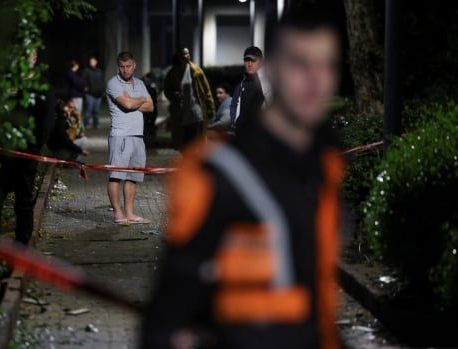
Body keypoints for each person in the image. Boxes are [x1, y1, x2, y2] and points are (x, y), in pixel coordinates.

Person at [142, 6, 344, 349]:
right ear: (275, 70)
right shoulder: (214, 174)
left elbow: (318, 306)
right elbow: (164, 321)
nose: (315, 78)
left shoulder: (324, 170)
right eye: (300, 64)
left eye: (326, 65)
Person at [0, 50, 56, 246]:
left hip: (26, 153)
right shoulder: (6, 82)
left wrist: (34, 147)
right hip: (2, 151)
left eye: (28, 54)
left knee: (23, 200)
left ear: (34, 57)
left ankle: (22, 244)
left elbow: (46, 121)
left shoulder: (42, 86)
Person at [106, 51, 154, 225]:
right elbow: (126, 104)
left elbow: (150, 107)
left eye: (128, 66)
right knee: (116, 176)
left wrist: (135, 100)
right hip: (121, 136)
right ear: (118, 66)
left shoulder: (140, 83)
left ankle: (130, 213)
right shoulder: (113, 83)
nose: (125, 70)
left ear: (134, 65)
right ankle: (118, 214)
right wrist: (140, 100)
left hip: (137, 136)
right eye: (122, 66)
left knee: (133, 176)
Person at [164, 48, 216, 148]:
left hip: (195, 111)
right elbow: (167, 91)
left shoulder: (196, 71)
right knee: (182, 144)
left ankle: (193, 161)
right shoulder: (172, 73)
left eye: (188, 53)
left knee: (194, 142)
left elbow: (206, 90)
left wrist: (211, 107)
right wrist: (174, 95)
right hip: (180, 113)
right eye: (184, 54)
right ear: (179, 56)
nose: (187, 56)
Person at [230, 46, 272, 134]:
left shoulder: (266, 83)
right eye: (246, 60)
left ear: (261, 62)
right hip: (242, 134)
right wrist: (235, 122)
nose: (249, 64)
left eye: (253, 60)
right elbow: (234, 105)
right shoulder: (241, 84)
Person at [82, 54, 105, 129]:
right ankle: (85, 124)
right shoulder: (86, 71)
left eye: (93, 61)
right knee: (88, 110)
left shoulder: (99, 71)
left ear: (96, 62)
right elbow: (83, 81)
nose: (91, 63)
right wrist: (85, 87)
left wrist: (103, 90)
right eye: (90, 62)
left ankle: (96, 124)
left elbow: (102, 81)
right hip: (90, 94)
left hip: (98, 94)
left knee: (96, 111)